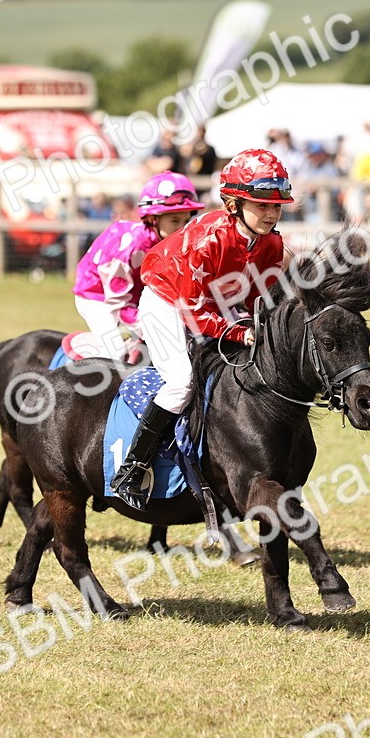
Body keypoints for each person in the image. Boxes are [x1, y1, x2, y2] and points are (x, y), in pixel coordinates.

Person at [110, 149, 292, 509]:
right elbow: (193, 313)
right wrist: (240, 333)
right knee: (181, 382)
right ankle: (132, 468)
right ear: (234, 204)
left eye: (276, 206)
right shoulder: (208, 240)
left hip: (215, 304)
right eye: (262, 205)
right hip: (166, 302)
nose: (271, 214)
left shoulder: (272, 244)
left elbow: (257, 300)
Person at [72, 172, 204, 364]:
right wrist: (149, 328)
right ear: (152, 218)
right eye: (174, 221)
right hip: (97, 295)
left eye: (186, 221)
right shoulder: (132, 247)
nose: (182, 229)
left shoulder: (175, 244)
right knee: (115, 352)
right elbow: (118, 303)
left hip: (133, 295)